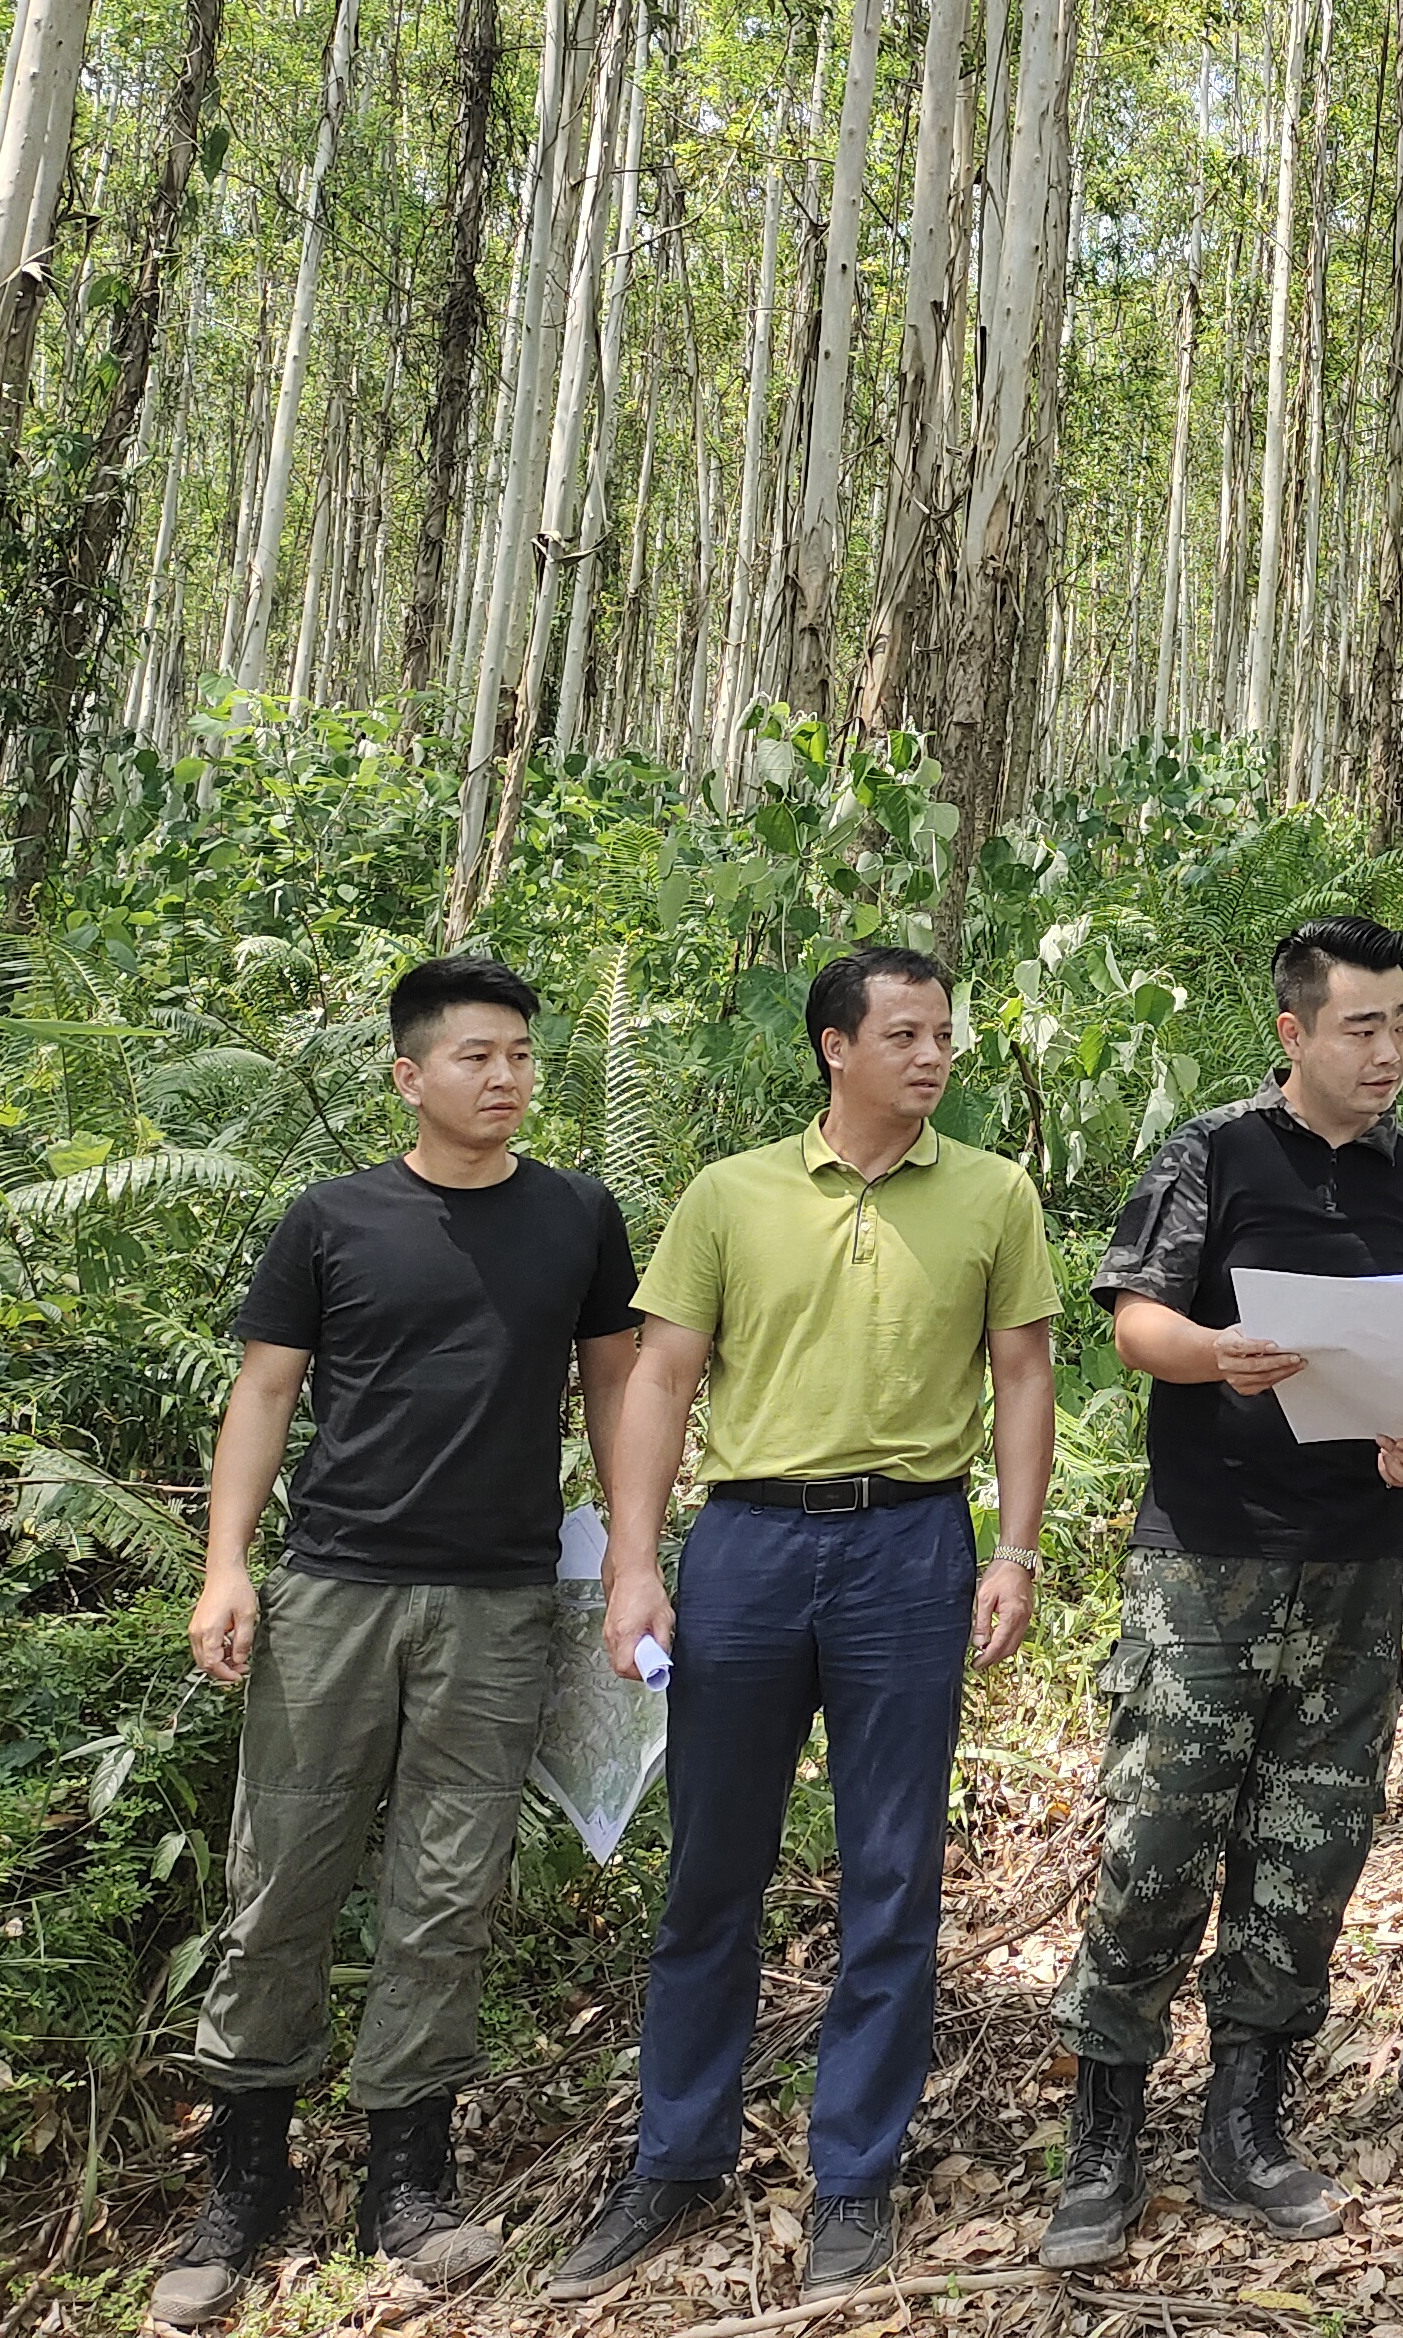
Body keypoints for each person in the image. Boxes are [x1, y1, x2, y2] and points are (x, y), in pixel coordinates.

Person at [549, 947, 1061, 2304]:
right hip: (751, 1546)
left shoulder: (993, 1195)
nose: (934, 1054)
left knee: (893, 1870)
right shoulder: (734, 1196)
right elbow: (661, 1376)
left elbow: (1022, 1375)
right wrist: (637, 1565)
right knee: (715, 1861)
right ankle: (675, 2156)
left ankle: (855, 2178)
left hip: (912, 1544)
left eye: (943, 1034)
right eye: (905, 1033)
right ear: (835, 1046)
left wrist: (1012, 1547)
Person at [154, 957, 639, 2329]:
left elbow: (615, 1393)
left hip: (497, 1600)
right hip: (335, 1591)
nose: (507, 1077)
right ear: (407, 1075)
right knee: (282, 1880)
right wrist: (225, 1566)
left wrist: (631, 1561)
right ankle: (246, 2179)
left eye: (523, 1056)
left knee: (447, 1884)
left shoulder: (577, 1219)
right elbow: (261, 1395)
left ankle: (406, 2178)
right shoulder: (333, 1221)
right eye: (478, 1056)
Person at [1038, 916, 1403, 2269]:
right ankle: (1103, 2132)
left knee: (1307, 1850)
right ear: (1295, 1034)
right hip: (1209, 1561)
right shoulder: (1217, 1152)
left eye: (1402, 1023)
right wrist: (1215, 1352)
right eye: (1362, 1027)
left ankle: (1247, 2121)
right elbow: (1135, 1320)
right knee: (1159, 1841)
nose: (1389, 1049)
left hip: (1354, 1562)